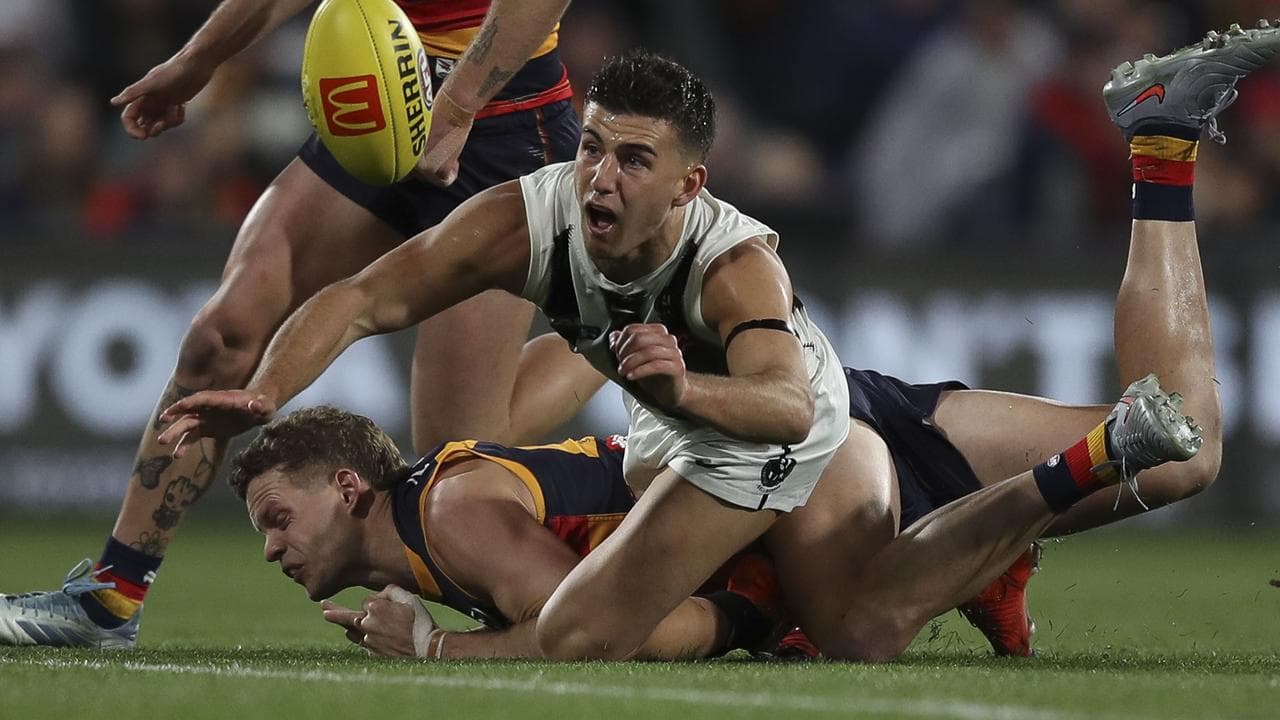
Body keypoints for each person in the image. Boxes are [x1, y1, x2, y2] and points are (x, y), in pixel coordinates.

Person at [35, 30, 1264, 658]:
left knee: (852, 629)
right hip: (792, 403)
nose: (601, 178)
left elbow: (785, 411)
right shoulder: (525, 221)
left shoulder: (732, 265)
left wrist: (680, 395)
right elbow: (361, 298)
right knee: (1190, 451)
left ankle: (1048, 491)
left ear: (688, 184)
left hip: (788, 430)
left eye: (634, 160)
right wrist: (264, 391)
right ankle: (1159, 147)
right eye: (590, 148)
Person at [0, 0, 593, 649]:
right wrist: (197, 61)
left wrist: (453, 109)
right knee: (221, 336)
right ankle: (112, 598)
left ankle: (615, 335)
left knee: (456, 459)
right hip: (374, 103)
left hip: (502, 124)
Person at [229, 405, 788, 660]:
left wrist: (434, 647)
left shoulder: (450, 512)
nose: (270, 549)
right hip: (755, 516)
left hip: (780, 511)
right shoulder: (426, 528)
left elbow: (591, 637)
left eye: (279, 519)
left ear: (348, 489)